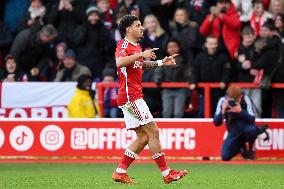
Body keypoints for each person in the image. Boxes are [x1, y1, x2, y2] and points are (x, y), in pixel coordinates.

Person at [112, 15, 187, 184]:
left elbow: (140, 64)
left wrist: (161, 62)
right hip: (131, 96)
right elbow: (119, 62)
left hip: (132, 96)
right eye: (138, 25)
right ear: (128, 29)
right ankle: (167, 173)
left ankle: (120, 171)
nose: (142, 28)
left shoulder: (136, 46)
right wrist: (141, 53)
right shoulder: (124, 45)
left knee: (144, 137)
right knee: (153, 132)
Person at [213, 86, 269, 161]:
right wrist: (222, 111)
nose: (233, 102)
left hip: (246, 128)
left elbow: (252, 119)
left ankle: (250, 148)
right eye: (231, 99)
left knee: (251, 130)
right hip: (233, 131)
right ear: (228, 97)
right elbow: (216, 123)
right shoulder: (223, 100)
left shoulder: (246, 99)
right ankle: (242, 148)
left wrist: (240, 111)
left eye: (236, 99)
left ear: (240, 97)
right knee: (225, 156)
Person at [190, 35, 231, 117]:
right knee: (203, 112)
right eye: (210, 44)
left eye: (215, 44)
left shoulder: (223, 57)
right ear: (206, 44)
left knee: (219, 113)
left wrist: (224, 81)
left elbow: (227, 72)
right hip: (203, 91)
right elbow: (195, 71)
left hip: (219, 91)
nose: (212, 46)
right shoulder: (199, 57)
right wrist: (193, 82)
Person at [73, 5, 115, 80]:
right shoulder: (81, 28)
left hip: (98, 62)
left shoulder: (103, 28)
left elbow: (108, 44)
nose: (94, 18)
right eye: (91, 15)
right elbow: (77, 42)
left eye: (96, 15)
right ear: (88, 16)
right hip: (83, 62)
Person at [154, 38, 190, 118]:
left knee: (178, 113)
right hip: (167, 89)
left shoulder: (184, 60)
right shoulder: (163, 60)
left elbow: (188, 74)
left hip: (181, 89)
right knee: (166, 112)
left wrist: (189, 84)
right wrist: (157, 79)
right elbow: (158, 72)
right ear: (166, 48)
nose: (172, 49)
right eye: (170, 47)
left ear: (179, 48)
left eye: (175, 46)